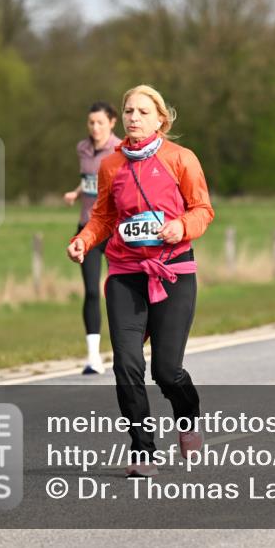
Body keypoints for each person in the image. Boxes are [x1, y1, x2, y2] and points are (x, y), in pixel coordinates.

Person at [67, 85, 214, 477]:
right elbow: (102, 218)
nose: (133, 117)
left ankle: (188, 417)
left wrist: (180, 226)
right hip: (125, 274)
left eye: (142, 112)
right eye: (129, 110)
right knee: (127, 366)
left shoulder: (180, 159)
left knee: (166, 371)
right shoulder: (111, 166)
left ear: (160, 119)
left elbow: (203, 210)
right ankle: (143, 449)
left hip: (173, 273)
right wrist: (83, 240)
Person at [63, 102, 120, 374]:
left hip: (115, 230)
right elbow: (91, 178)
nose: (95, 127)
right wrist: (76, 192)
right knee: (91, 291)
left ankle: (127, 349)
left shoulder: (121, 150)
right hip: (87, 229)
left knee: (119, 291)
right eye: (91, 123)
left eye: (100, 122)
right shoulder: (82, 148)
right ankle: (93, 357)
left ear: (112, 123)